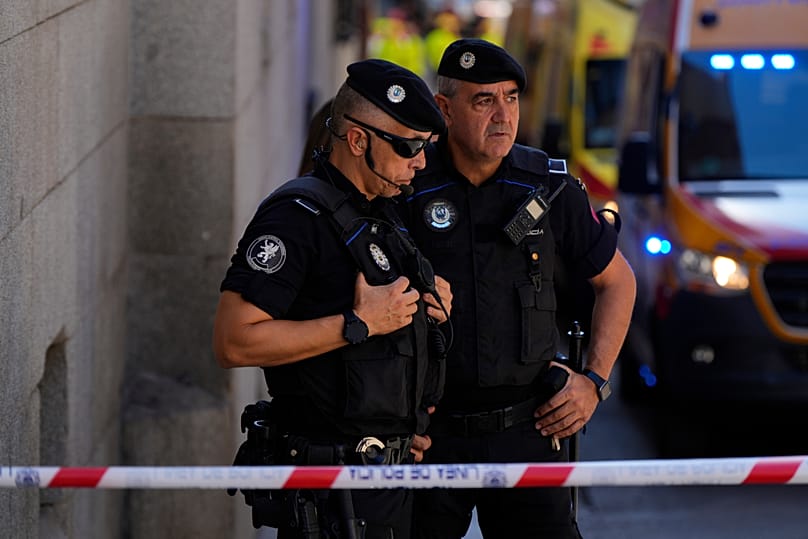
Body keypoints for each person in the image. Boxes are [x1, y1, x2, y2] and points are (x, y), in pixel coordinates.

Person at [398, 39, 637, 538]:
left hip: (528, 431)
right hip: (430, 434)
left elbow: (617, 282)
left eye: (511, 98)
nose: (503, 115)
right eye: (484, 100)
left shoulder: (548, 188)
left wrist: (592, 382)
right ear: (444, 110)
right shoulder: (407, 187)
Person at [213, 59, 452, 538]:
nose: (420, 162)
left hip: (388, 480)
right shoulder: (294, 217)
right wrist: (357, 322)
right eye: (408, 147)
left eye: (426, 147)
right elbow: (233, 342)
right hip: (331, 495)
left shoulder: (383, 211)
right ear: (358, 140)